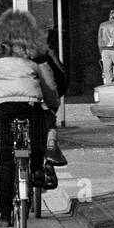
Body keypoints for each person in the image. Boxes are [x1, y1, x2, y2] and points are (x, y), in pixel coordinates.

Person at [0, 10, 59, 226]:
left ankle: (5, 215)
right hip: (31, 106)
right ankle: (36, 170)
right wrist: (53, 105)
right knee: (37, 138)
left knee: (5, 160)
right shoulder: (36, 54)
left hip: (4, 109)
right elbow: (49, 86)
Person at [35, 35, 68, 167]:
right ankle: (51, 147)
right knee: (49, 121)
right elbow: (59, 77)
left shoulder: (2, 54)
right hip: (39, 100)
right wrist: (56, 100)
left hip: (6, 104)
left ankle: (3, 154)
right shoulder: (43, 52)